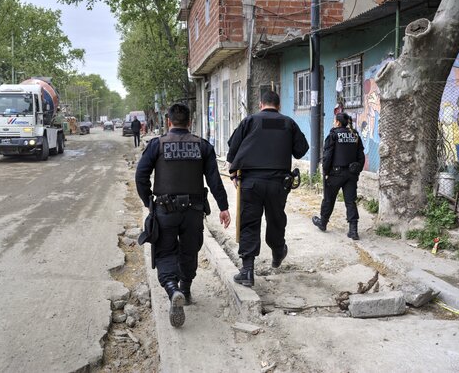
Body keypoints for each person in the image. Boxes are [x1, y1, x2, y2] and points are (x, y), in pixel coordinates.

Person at [135, 103, 231, 328]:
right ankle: (185, 289)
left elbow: (141, 176)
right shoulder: (202, 146)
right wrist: (224, 207)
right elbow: (214, 180)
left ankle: (172, 289)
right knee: (189, 251)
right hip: (193, 211)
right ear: (190, 122)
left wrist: (149, 202)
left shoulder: (156, 145)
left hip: (165, 210)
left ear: (169, 122)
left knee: (166, 251)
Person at [226, 91, 309, 287]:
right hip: (278, 183)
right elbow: (301, 150)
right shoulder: (288, 123)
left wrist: (234, 170)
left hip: (251, 183)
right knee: (276, 220)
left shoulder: (250, 121)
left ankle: (247, 271)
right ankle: (278, 251)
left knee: (249, 223)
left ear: (261, 104)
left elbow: (232, 151)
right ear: (278, 106)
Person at [312, 112, 365, 240]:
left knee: (329, 199)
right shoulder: (355, 134)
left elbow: (327, 156)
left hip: (335, 173)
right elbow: (361, 156)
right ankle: (353, 230)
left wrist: (325, 171)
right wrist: (357, 170)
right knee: (350, 201)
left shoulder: (334, 135)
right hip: (351, 174)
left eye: (334, 120)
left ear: (338, 122)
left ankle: (323, 222)